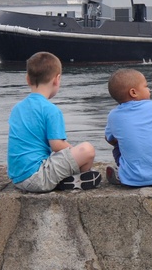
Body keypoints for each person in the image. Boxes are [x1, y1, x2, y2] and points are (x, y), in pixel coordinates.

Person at [7, 52, 99, 192]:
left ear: (27, 79)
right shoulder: (51, 110)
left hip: (17, 178)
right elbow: (57, 145)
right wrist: (74, 152)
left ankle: (67, 180)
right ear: (57, 80)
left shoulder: (17, 108)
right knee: (87, 150)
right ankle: (78, 178)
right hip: (37, 178)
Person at [104, 68, 152, 187]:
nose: (149, 90)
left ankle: (121, 173)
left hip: (132, 182)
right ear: (133, 92)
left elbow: (109, 139)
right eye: (146, 86)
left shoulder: (113, 115)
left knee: (117, 148)